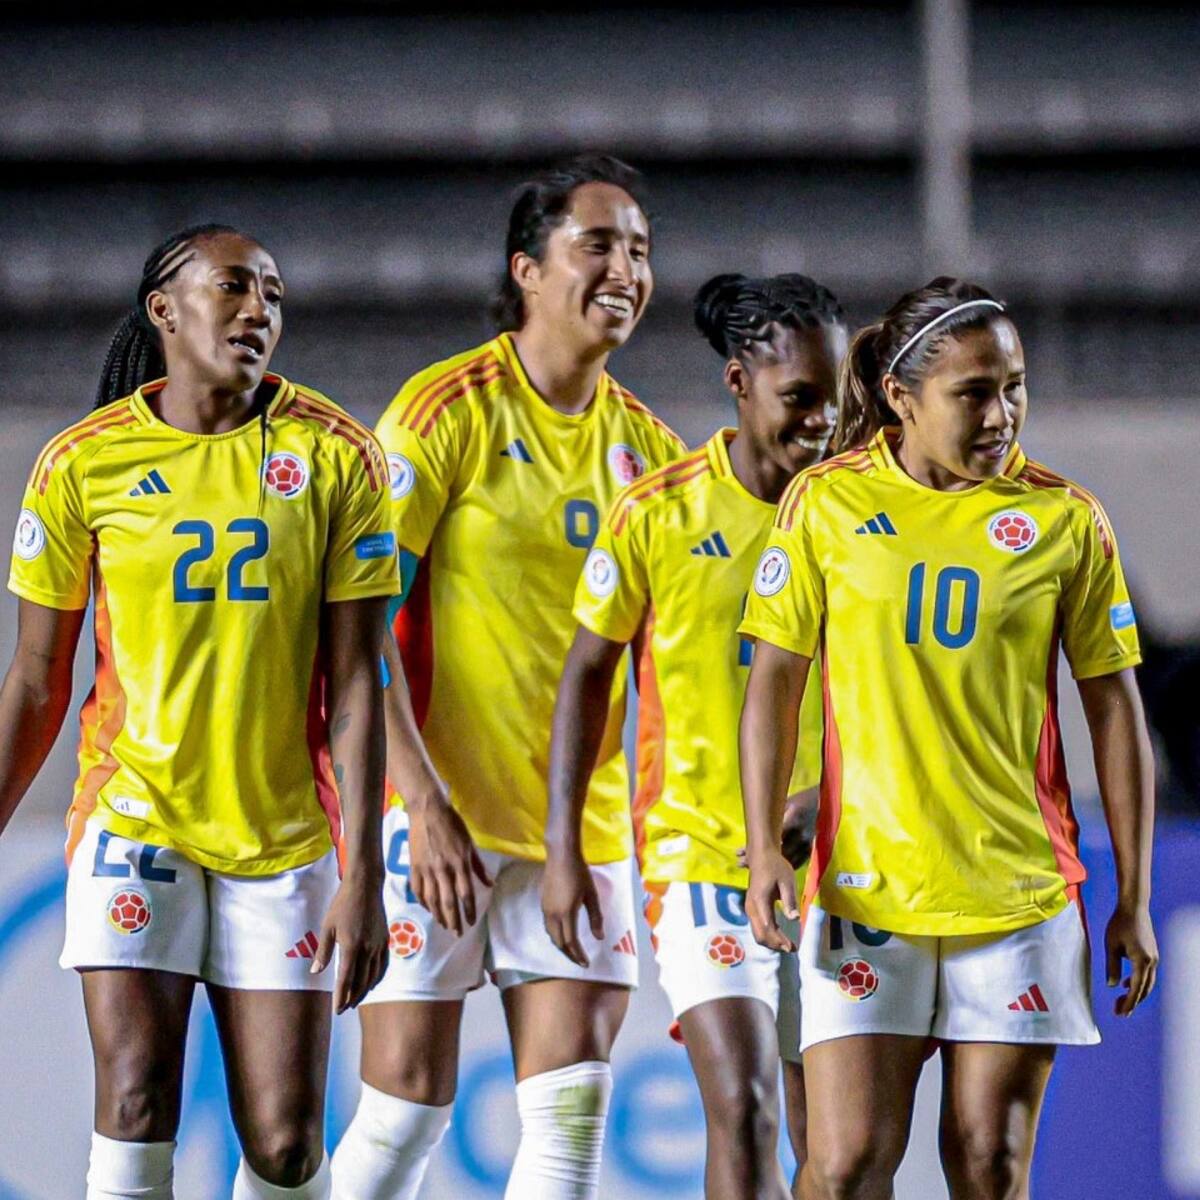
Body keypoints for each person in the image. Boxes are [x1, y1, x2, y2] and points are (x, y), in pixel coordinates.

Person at [738, 277, 1159, 1200]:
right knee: (844, 1167)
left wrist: (1133, 891)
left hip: (1015, 896)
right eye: (974, 392)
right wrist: (761, 843)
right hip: (865, 890)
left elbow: (1114, 707)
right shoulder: (826, 505)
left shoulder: (1064, 520)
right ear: (901, 398)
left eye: (1014, 386)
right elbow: (774, 682)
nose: (1002, 414)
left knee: (990, 1165)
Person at [0, 224, 396, 1200]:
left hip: (286, 833)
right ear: (165, 310)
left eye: (274, 294)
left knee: (289, 1144)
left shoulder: (336, 454)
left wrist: (366, 877)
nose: (260, 309)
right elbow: (37, 679)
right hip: (135, 818)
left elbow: (355, 681)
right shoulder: (79, 465)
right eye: (234, 287)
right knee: (136, 1101)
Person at [331, 156, 685, 1200]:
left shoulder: (648, 453)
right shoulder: (445, 412)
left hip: (583, 830)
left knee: (568, 1126)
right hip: (436, 816)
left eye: (640, 249)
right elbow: (359, 626)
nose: (626, 268)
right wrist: (421, 804)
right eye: (599, 245)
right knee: (400, 1116)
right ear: (527, 271)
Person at [544, 272, 847, 1198]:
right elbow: (586, 677)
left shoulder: (857, 518)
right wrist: (565, 847)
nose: (823, 423)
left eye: (837, 401)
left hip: (839, 860)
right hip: (699, 861)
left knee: (831, 1148)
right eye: (800, 399)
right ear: (738, 384)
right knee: (747, 1106)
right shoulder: (659, 513)